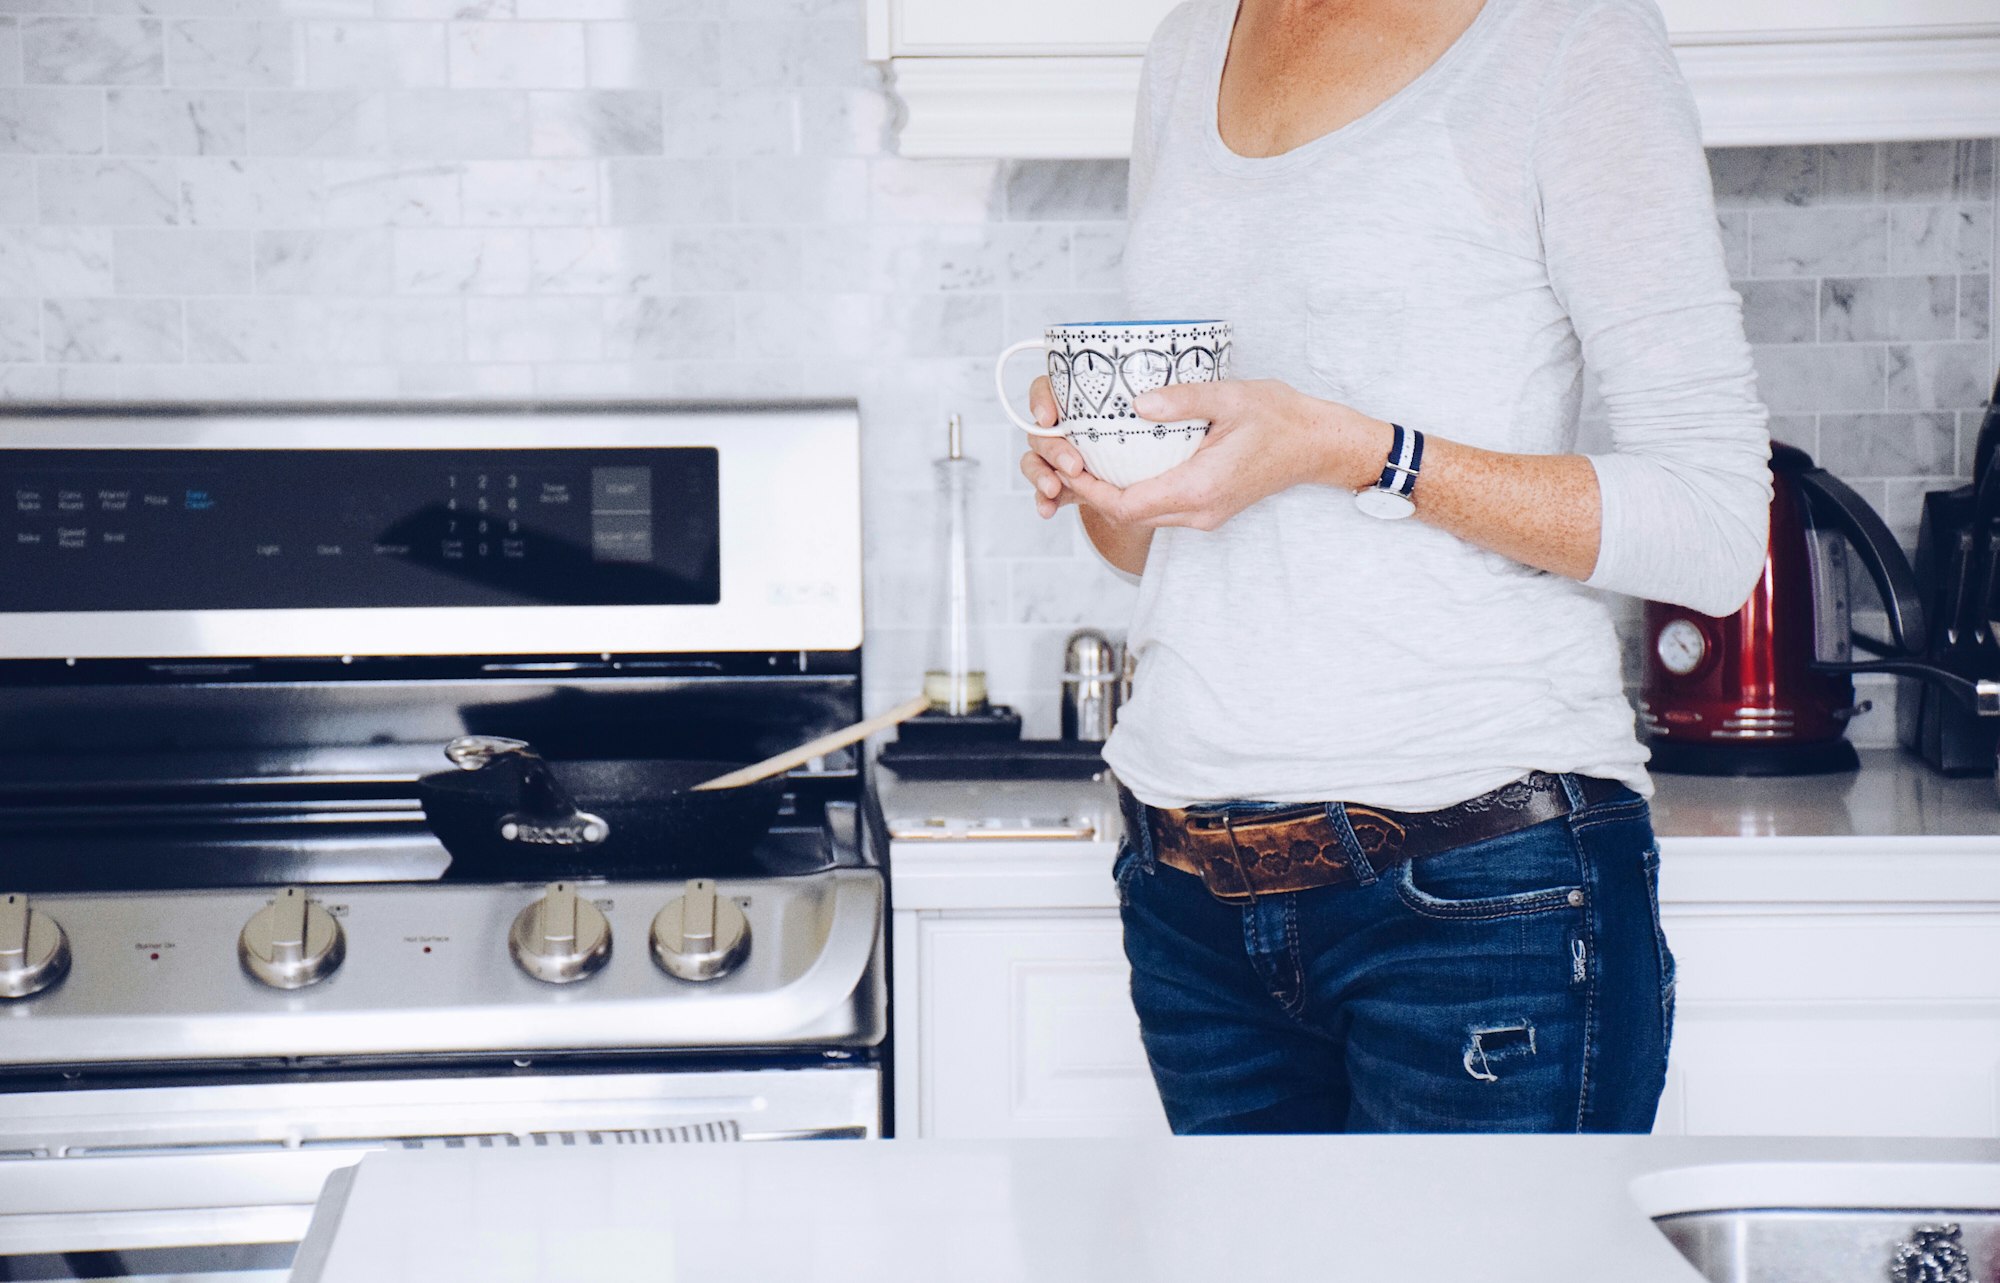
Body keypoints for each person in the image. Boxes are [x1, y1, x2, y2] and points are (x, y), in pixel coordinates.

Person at [1019, 0, 1771, 1134]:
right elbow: (1153, 546)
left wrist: (1358, 451)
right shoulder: (1190, 45)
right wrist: (1101, 469)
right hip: (1189, 894)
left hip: (1479, 887)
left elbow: (1712, 527)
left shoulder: (1566, 38)